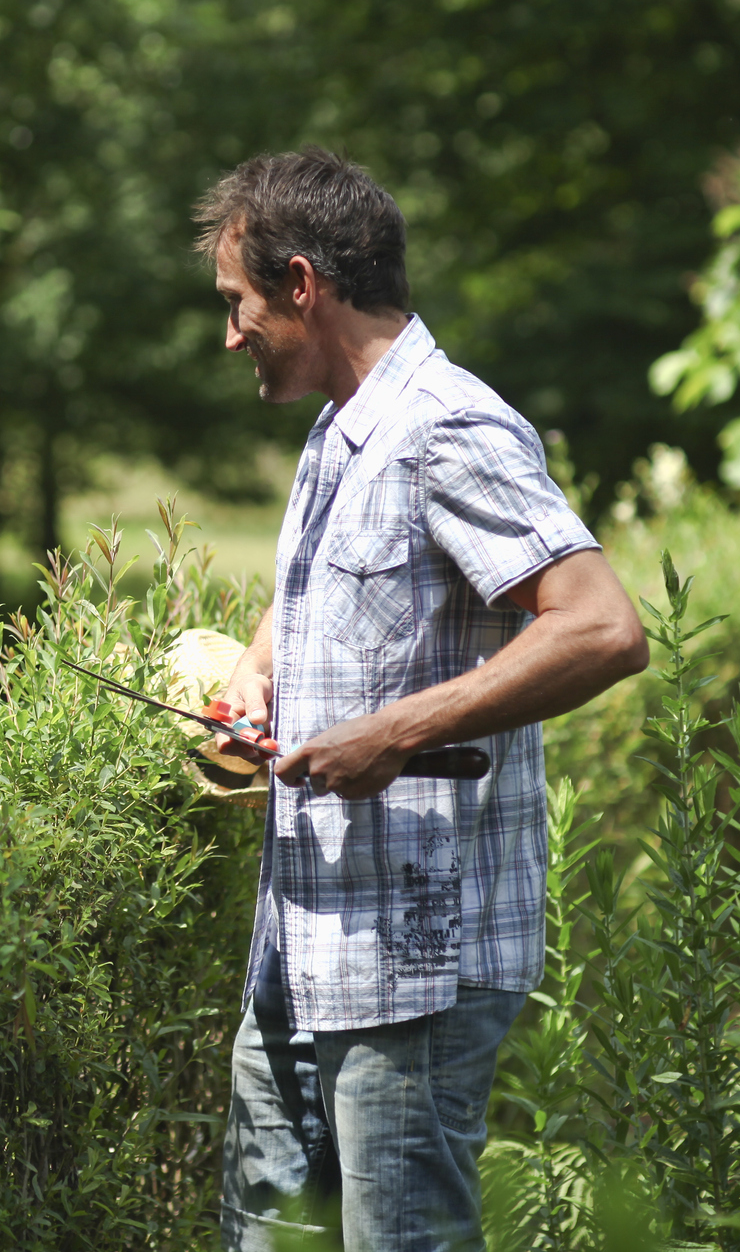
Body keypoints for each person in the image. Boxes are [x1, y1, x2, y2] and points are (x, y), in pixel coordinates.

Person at [200, 149, 648, 1252]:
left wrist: (395, 732)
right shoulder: (333, 432)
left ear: (301, 283)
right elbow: (318, 593)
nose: (228, 336)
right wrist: (258, 666)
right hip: (302, 940)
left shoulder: (448, 426)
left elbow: (603, 626)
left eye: (236, 303)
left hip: (411, 964)